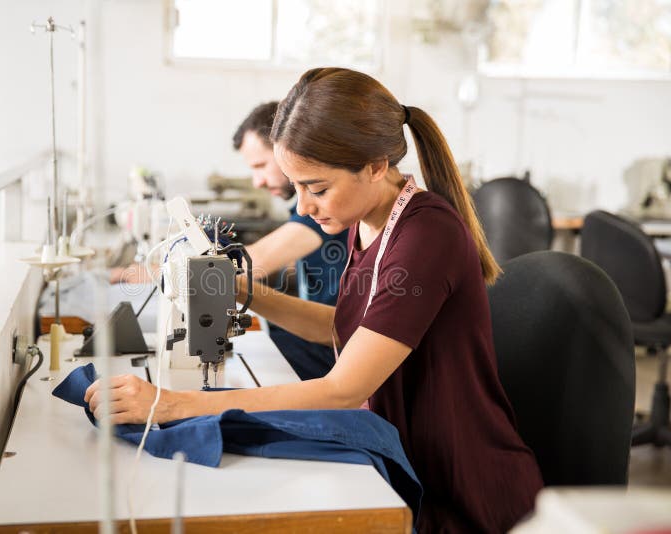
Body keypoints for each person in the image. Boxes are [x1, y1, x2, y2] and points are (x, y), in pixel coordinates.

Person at [85, 68, 543, 532]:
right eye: (297, 186)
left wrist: (173, 405)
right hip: (405, 461)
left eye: (317, 188)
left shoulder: (426, 233)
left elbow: (344, 388)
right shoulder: (367, 222)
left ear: (376, 166)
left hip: (460, 489)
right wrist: (243, 290)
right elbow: (346, 329)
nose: (303, 206)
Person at [233, 102, 348, 380]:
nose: (257, 182)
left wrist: (163, 271)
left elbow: (251, 263)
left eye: (261, 166)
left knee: (241, 357)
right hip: (323, 333)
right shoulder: (309, 208)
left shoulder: (323, 209)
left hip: (334, 347)